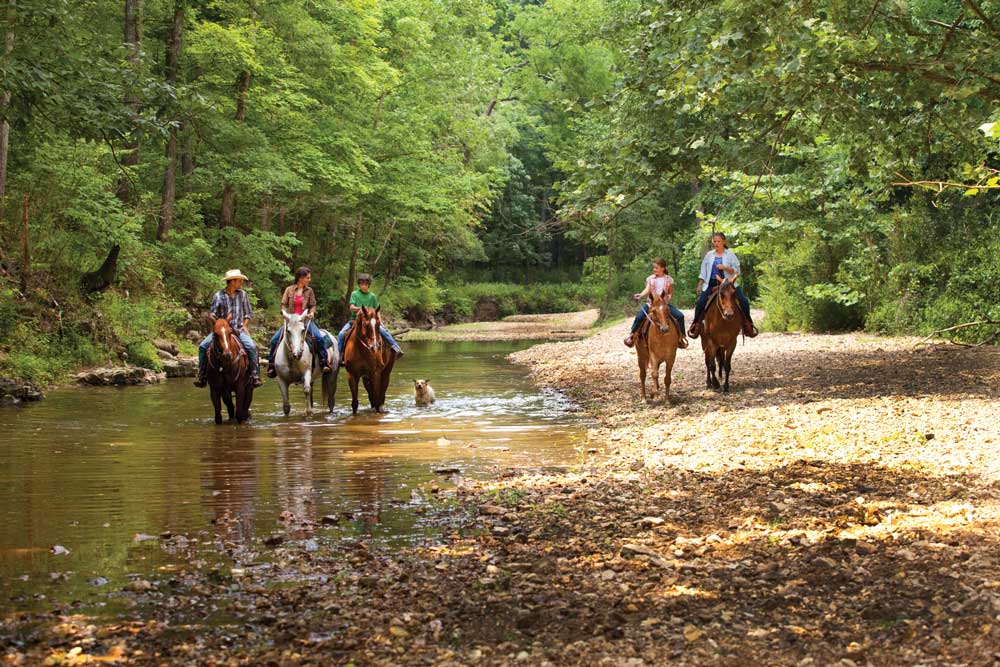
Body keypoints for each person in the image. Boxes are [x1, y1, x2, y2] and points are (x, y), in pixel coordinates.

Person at [194, 269, 263, 388]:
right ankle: (202, 375)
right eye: (239, 281)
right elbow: (212, 314)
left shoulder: (243, 295)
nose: (241, 283)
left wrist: (244, 326)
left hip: (238, 329)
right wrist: (219, 324)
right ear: (232, 282)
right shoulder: (218, 296)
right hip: (222, 332)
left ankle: (254, 375)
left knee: (251, 347)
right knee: (203, 346)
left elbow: (248, 314)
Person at [688, 232, 758, 338]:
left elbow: (736, 271)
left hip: (728, 284)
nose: (716, 243)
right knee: (700, 303)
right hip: (711, 283)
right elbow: (703, 271)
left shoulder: (730, 255)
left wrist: (725, 268)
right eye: (714, 241)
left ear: (724, 242)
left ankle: (748, 325)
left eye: (718, 241)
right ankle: (696, 325)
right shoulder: (709, 255)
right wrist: (700, 284)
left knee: (743, 301)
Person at [266, 266, 332, 378]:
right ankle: (272, 365)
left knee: (319, 338)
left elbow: (313, 305)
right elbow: (283, 304)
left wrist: (311, 313)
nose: (309, 280)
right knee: (274, 340)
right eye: (307, 278)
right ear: (300, 278)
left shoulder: (309, 291)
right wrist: (283, 312)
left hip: (305, 321)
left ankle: (324, 362)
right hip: (291, 321)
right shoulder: (289, 290)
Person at [623, 257, 688, 349]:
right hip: (651, 304)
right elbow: (647, 289)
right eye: (653, 268)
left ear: (663, 268)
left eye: (656, 268)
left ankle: (681, 337)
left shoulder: (669, 279)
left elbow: (670, 292)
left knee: (680, 316)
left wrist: (669, 297)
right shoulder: (650, 279)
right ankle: (632, 336)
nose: (654, 269)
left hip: (663, 305)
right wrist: (641, 295)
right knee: (639, 317)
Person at [337, 273, 404, 360]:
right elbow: (351, 307)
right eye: (361, 284)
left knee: (384, 332)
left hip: (371, 322)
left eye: (365, 284)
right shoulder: (355, 294)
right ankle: (339, 355)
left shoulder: (372, 296)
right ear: (359, 284)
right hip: (355, 320)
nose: (363, 286)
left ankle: (396, 348)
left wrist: (380, 322)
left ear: (368, 285)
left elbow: (377, 310)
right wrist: (360, 309)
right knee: (341, 334)